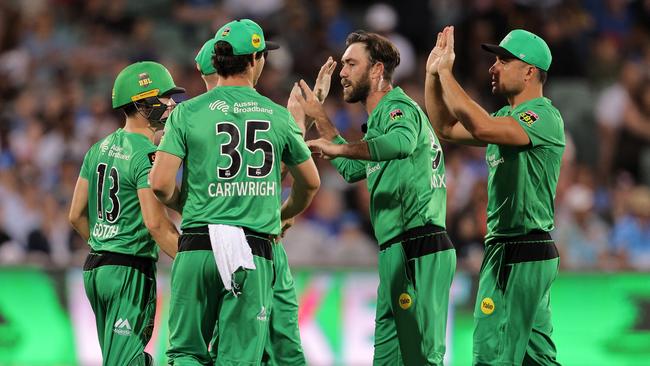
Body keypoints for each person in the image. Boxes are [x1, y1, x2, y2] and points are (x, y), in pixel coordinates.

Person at [149, 19, 320, 365]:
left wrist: (195, 202)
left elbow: (160, 184)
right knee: (238, 357)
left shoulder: (186, 113)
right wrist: (283, 213)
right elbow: (311, 182)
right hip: (251, 250)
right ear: (255, 60)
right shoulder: (277, 116)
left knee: (185, 352)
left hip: (197, 245)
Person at [300, 30, 456, 366]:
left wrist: (340, 146)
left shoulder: (398, 108)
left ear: (376, 70)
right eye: (343, 64)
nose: (342, 71)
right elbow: (353, 170)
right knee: (387, 359)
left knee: (421, 357)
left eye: (351, 63)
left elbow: (398, 145)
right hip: (396, 249)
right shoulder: (378, 125)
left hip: (419, 245)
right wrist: (318, 117)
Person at [425, 26, 564, 365]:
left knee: (492, 354)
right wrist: (433, 75)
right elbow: (445, 128)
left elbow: (481, 127)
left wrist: (447, 73)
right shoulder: (506, 117)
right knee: (535, 359)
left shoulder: (542, 116)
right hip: (513, 249)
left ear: (530, 71)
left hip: (520, 249)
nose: (493, 67)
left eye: (503, 60)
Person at [193, 36, 335, 366]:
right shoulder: (209, 121)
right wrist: (301, 117)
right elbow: (284, 170)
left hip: (263, 246)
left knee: (282, 347)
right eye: (256, 57)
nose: (259, 63)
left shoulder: (207, 118)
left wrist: (302, 116)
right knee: (239, 349)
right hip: (238, 249)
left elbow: (272, 169)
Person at [68, 61, 184, 366]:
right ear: (142, 103)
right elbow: (157, 225)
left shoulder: (98, 148)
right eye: (165, 97)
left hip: (96, 267)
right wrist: (193, 264)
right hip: (129, 270)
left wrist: (107, 243)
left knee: (121, 357)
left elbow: (76, 215)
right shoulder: (146, 155)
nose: (172, 103)